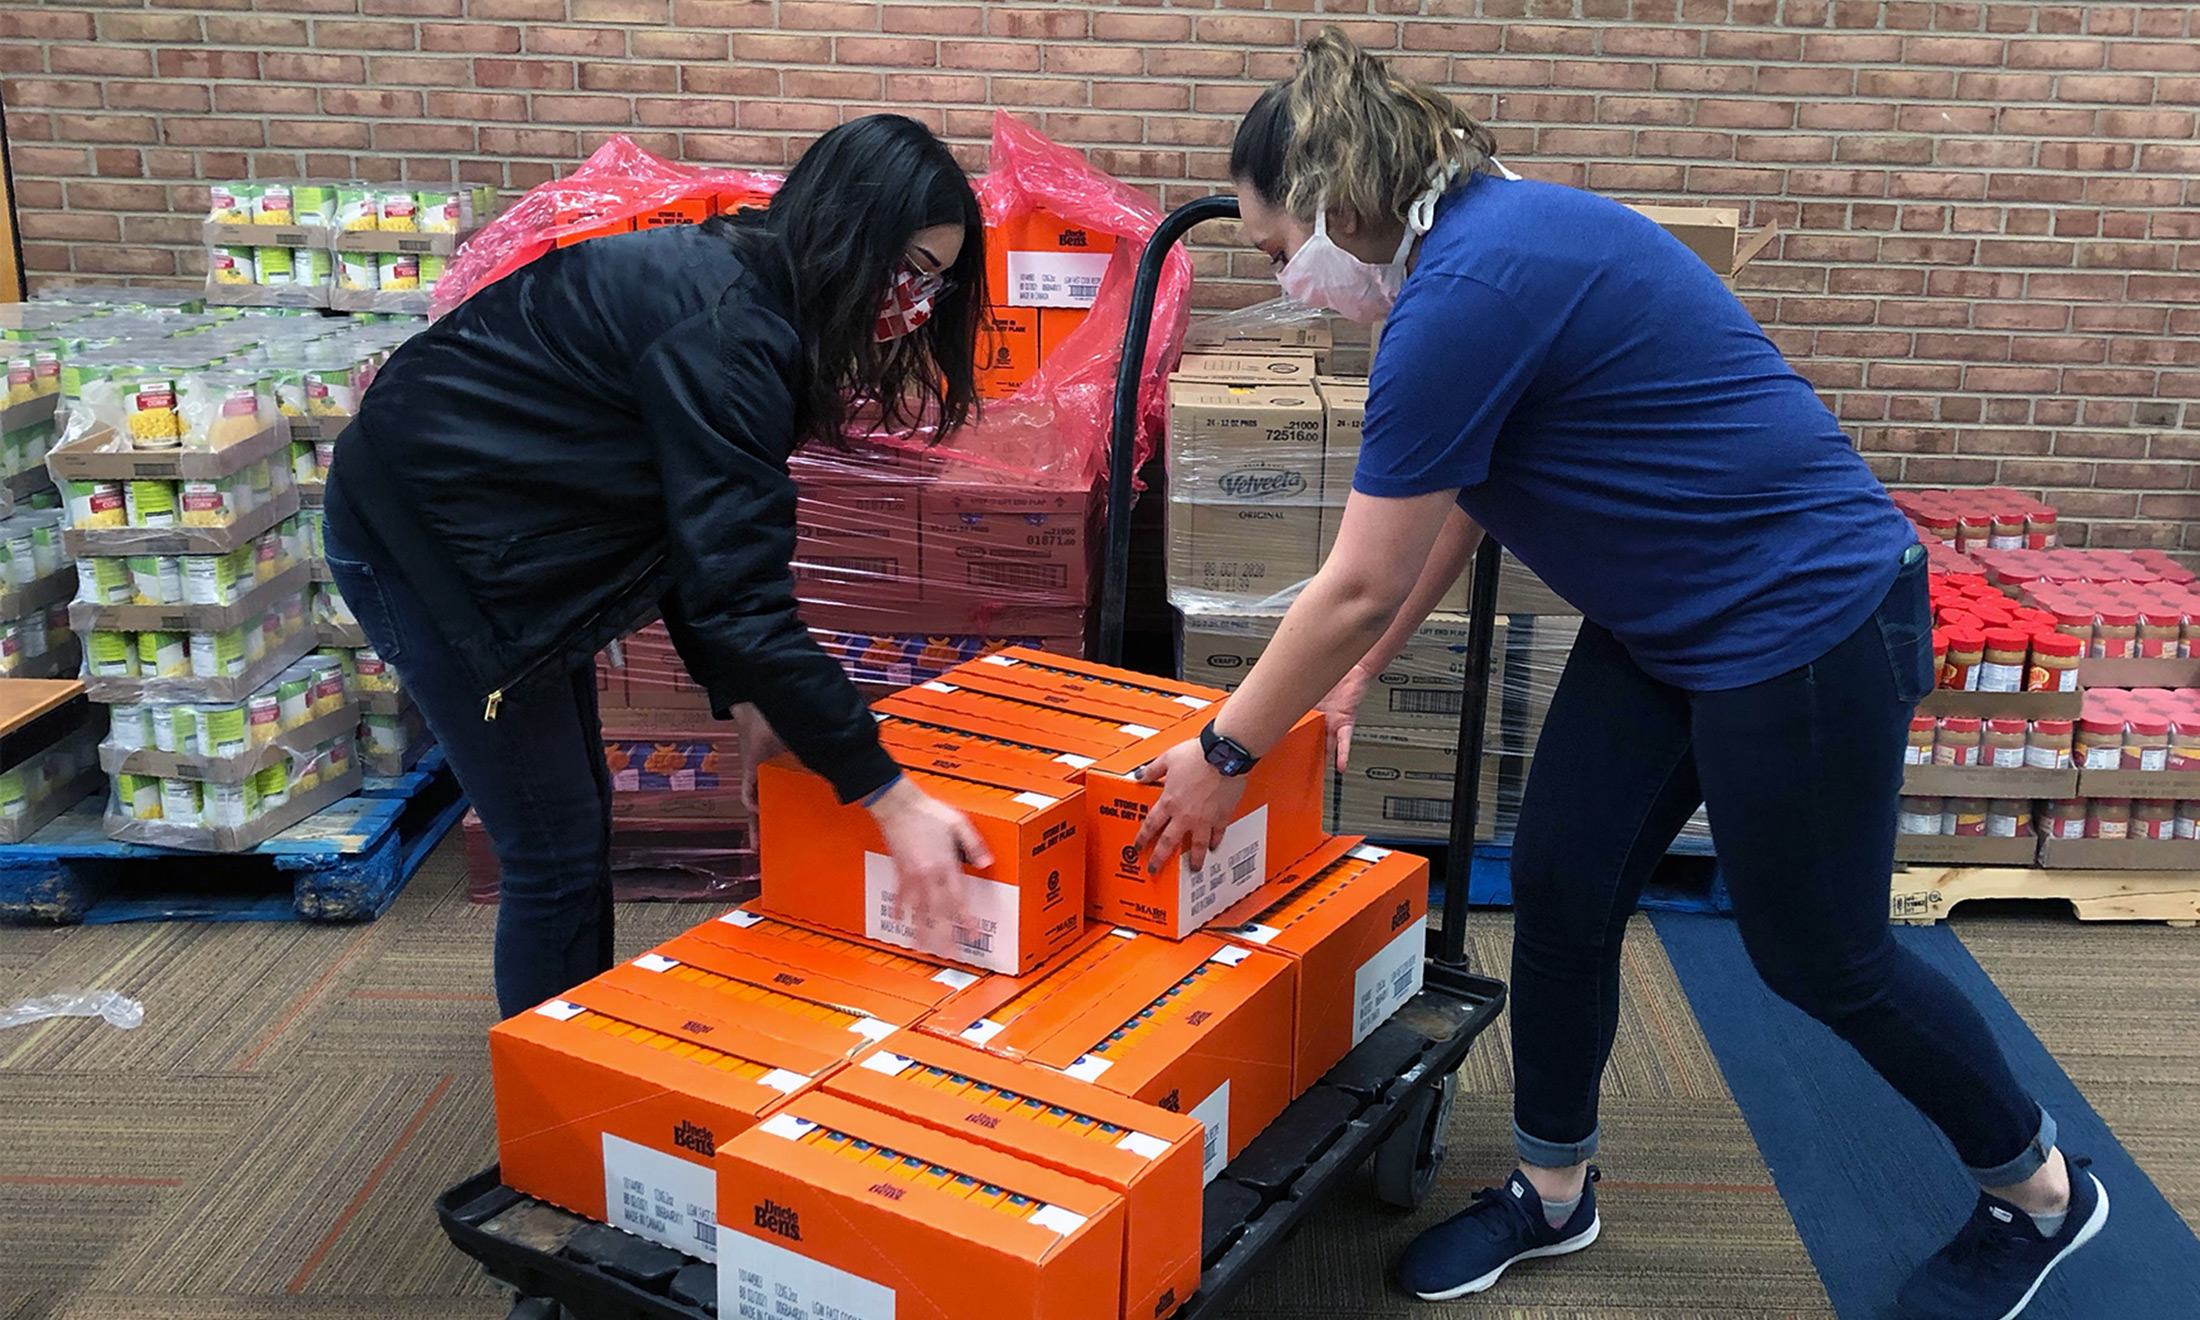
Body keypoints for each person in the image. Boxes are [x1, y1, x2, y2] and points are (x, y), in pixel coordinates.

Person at [1132, 31, 2106, 1320]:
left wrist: (1225, 753)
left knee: (1822, 957)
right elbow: (1454, 502)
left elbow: (1355, 577)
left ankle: (2040, 1190)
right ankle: (1552, 1191)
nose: (1287, 280)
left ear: (1335, 204)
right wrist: (1357, 673)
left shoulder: (1468, 288)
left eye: (1274, 251)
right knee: (1562, 886)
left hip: (1802, 619)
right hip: (1666, 623)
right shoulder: (1477, 247)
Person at [324, 115, 992, 1020]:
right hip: (430, 545)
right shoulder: (725, 334)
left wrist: (747, 697)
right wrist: (889, 796)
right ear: (849, 228)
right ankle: (557, 1085)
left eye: (937, 282)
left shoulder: (762, 302)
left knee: (571, 819)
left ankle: (573, 1038)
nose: (917, 301)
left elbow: (697, 537)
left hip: (506, 528)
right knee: (553, 846)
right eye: (912, 267)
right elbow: (740, 601)